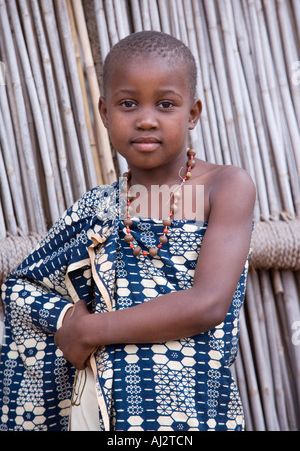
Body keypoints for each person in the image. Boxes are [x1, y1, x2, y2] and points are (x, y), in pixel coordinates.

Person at [0, 31, 255, 431]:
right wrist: (67, 319)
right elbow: (22, 288)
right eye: (128, 104)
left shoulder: (222, 188)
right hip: (109, 415)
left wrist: (91, 330)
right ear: (104, 112)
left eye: (166, 104)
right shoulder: (96, 208)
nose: (147, 118)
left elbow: (208, 303)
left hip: (195, 413)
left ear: (193, 113)